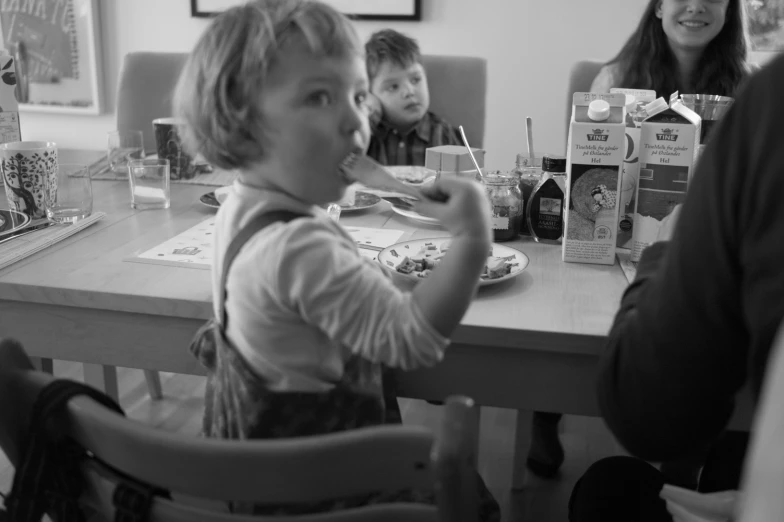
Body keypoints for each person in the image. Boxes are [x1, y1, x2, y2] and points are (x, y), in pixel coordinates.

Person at [173, 0, 499, 518]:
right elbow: (411, 340)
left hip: (257, 475)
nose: (356, 119)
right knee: (477, 502)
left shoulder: (241, 206)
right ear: (243, 122)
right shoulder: (301, 248)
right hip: (325, 495)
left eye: (357, 94)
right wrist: (473, 241)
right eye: (320, 97)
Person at [568, 49, 784, 522]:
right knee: (731, 450)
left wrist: (664, 250)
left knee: (611, 488)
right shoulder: (621, 79)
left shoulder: (767, 101)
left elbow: (649, 413)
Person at [590, 0, 752, 96]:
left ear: (728, 13)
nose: (695, 7)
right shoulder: (613, 82)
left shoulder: (754, 86)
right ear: (660, 7)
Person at [364, 29, 461, 166]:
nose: (409, 91)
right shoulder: (366, 132)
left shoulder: (443, 134)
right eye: (393, 87)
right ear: (371, 93)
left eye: (416, 80)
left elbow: (464, 183)